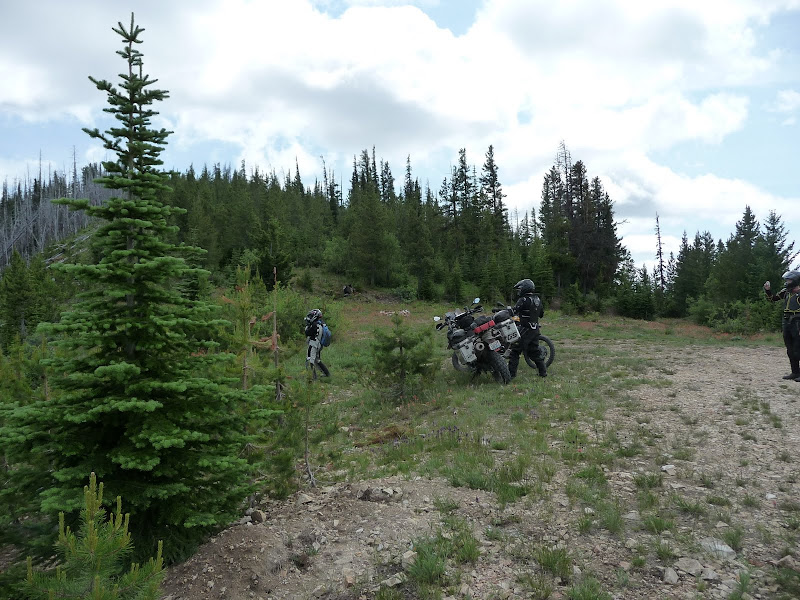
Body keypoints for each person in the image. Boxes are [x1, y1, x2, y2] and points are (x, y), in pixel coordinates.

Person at [764, 270, 800, 380]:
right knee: (790, 349)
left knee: (798, 349)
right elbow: (772, 299)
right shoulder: (786, 292)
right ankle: (795, 372)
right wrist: (768, 291)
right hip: (787, 321)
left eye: (789, 280)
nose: (787, 282)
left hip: (798, 322)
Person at [509, 278, 547, 378]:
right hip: (535, 330)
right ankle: (543, 373)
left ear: (524, 289)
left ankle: (510, 376)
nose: (519, 291)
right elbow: (541, 314)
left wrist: (508, 311)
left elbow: (514, 311)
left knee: (515, 352)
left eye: (519, 289)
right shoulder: (537, 299)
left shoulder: (523, 299)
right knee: (535, 353)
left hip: (525, 329)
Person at [304, 308, 330, 377]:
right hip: (319, 345)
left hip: (313, 344)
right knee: (317, 360)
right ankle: (326, 373)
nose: (309, 318)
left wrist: (307, 326)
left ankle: (313, 377)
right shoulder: (321, 323)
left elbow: (307, 333)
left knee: (310, 359)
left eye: (311, 316)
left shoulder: (315, 325)